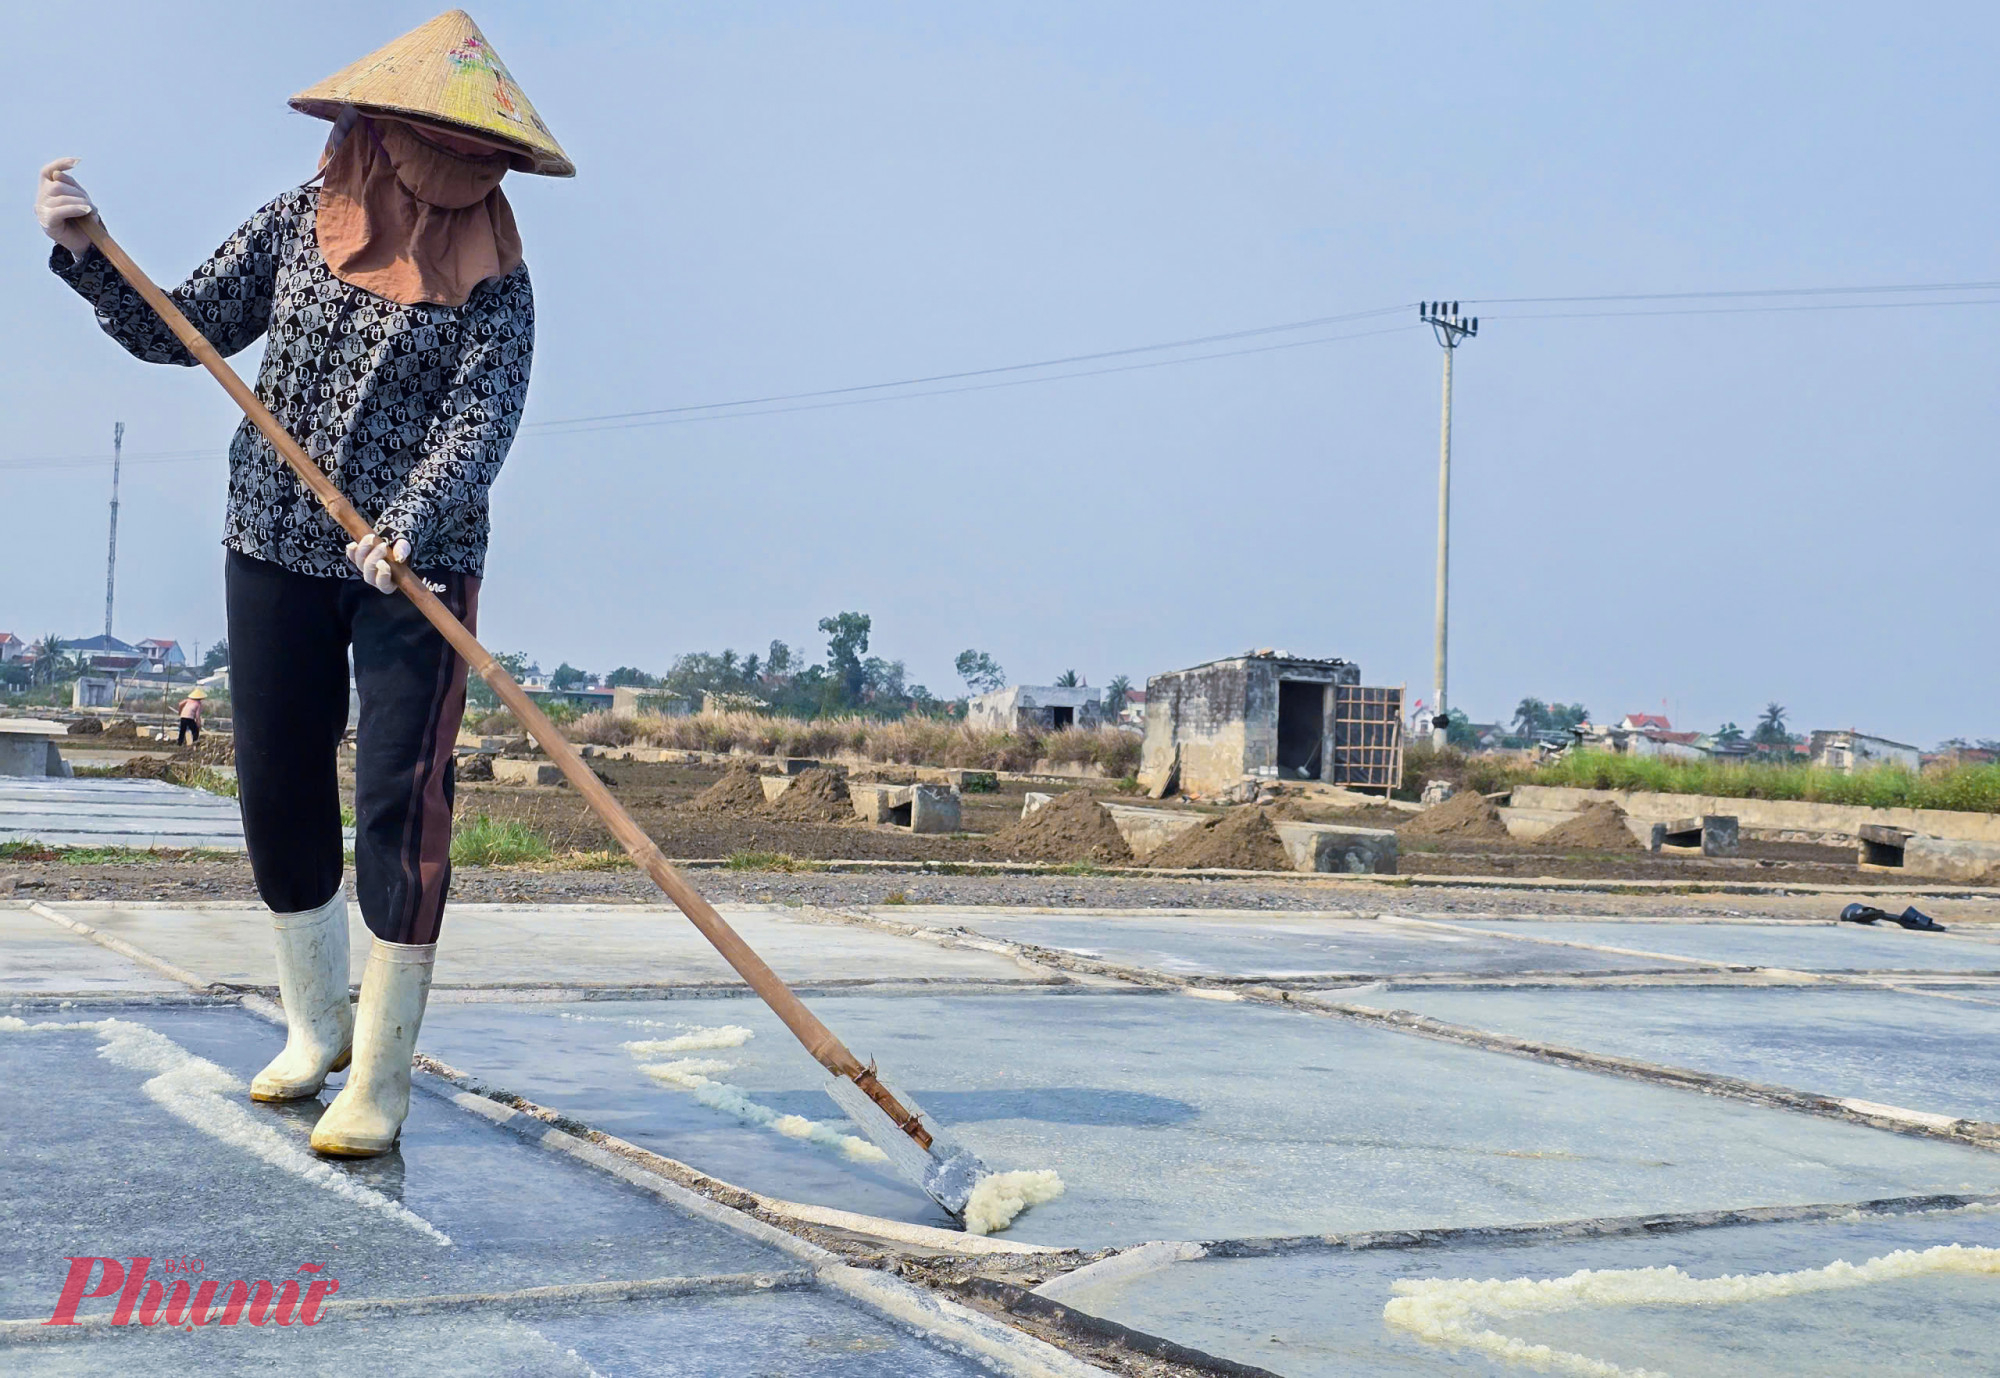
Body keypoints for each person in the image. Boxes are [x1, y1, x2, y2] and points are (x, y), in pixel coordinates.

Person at [35, 11, 571, 1158]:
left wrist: (407, 525)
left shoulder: (500, 288)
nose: (438, 183)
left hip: (412, 575)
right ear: (372, 136)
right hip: (271, 539)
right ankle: (313, 1025)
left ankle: (378, 1073)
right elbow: (185, 329)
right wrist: (91, 252)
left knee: (396, 798)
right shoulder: (297, 223)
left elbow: (480, 427)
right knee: (276, 778)